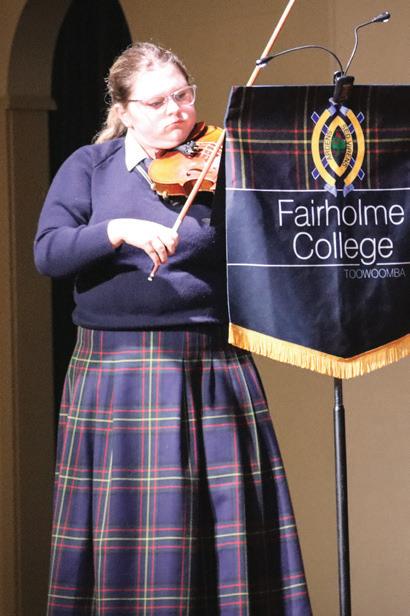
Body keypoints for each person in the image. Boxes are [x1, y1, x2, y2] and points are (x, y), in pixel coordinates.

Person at [34, 42, 312, 616]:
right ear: (124, 110)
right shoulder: (91, 167)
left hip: (210, 367)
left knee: (221, 530)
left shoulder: (222, 161)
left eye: (183, 95)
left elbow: (276, 237)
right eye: (157, 102)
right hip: (116, 372)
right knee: (131, 536)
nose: (176, 111)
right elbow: (50, 252)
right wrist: (116, 230)